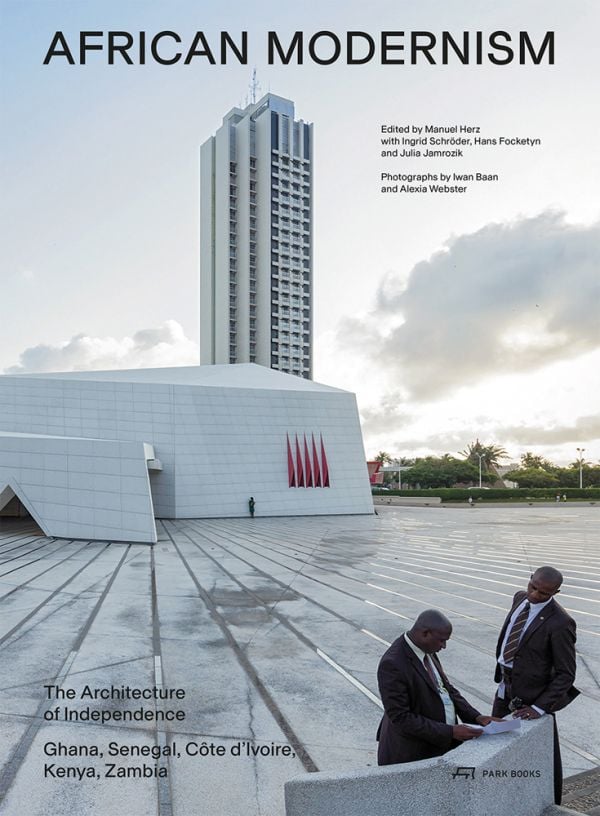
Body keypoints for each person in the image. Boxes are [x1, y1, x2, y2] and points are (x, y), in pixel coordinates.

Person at [493, 566, 579, 804]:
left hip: (532, 698)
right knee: (494, 743)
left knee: (541, 756)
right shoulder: (519, 598)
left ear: (556, 592)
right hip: (504, 689)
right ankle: (501, 796)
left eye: (543, 593)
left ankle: (550, 800)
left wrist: (539, 707)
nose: (535, 595)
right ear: (530, 580)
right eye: (533, 587)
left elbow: (566, 674)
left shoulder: (561, 622)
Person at [377, 609, 496, 765]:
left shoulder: (427, 650)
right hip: (412, 753)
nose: (444, 646)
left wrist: (475, 717)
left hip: (437, 745)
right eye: (442, 640)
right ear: (425, 633)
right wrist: (450, 732)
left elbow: (446, 689)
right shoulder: (393, 663)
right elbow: (401, 717)